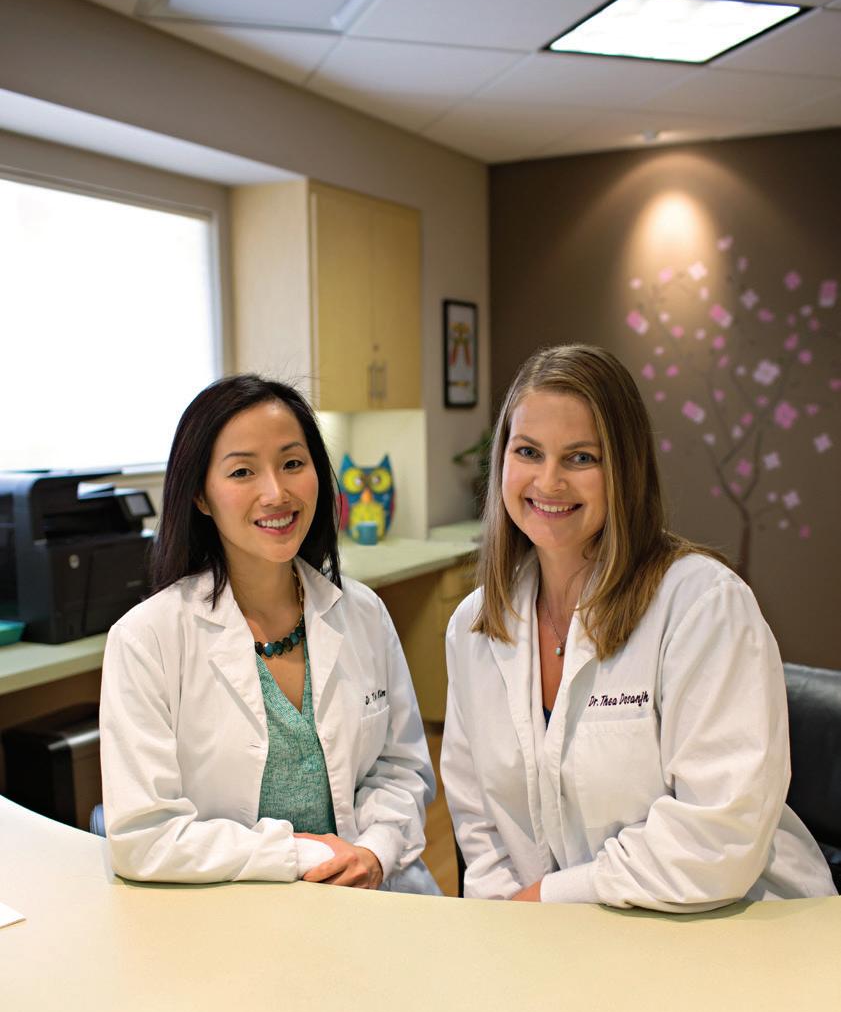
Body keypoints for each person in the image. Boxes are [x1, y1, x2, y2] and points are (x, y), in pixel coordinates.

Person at [441, 345, 835, 909]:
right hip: (555, 933)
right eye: (528, 451)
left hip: (731, 925)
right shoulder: (475, 626)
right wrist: (506, 919)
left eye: (581, 458)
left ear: (625, 470)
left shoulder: (703, 606)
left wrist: (548, 898)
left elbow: (720, 834)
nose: (548, 481)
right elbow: (479, 819)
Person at [100, 374, 439, 894]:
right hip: (234, 910)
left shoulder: (362, 613)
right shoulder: (146, 639)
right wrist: (303, 855)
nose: (276, 493)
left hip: (372, 893)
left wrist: (374, 851)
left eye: (293, 464)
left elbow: (401, 768)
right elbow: (145, 836)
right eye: (242, 471)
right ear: (201, 496)